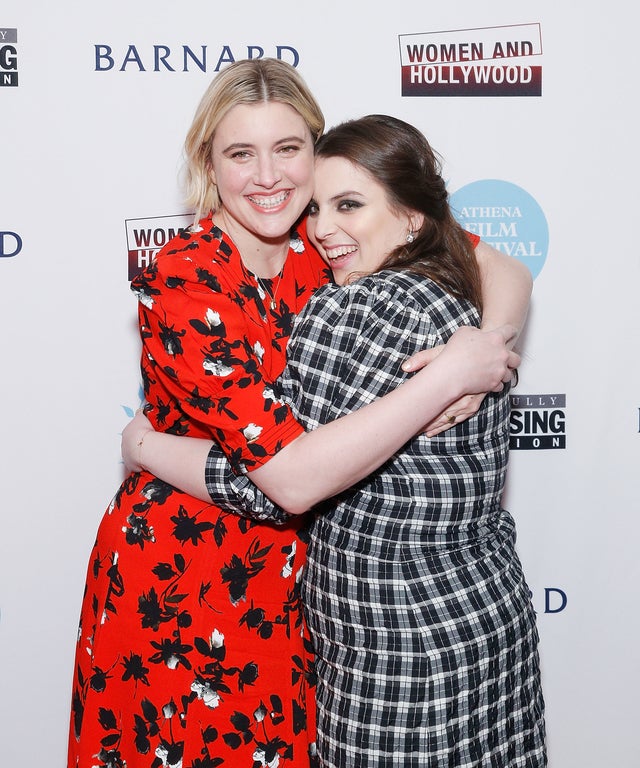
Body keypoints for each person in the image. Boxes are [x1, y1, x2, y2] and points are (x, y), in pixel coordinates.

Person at [69, 58, 530, 768]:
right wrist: (443, 383)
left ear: (316, 153)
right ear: (208, 165)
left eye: (288, 149)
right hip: (190, 588)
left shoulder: (327, 246)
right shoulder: (187, 278)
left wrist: (484, 349)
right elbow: (289, 478)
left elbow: (503, 269)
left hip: (310, 595)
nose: (268, 176)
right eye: (240, 153)